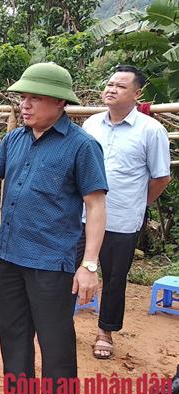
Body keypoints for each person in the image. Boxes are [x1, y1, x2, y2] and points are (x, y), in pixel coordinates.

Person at [0, 62, 108, 394]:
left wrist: (89, 264)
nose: (25, 104)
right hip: (9, 256)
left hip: (52, 262)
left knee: (56, 344)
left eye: (35, 98)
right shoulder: (14, 138)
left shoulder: (82, 146)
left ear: (59, 104)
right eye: (23, 97)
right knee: (13, 335)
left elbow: (96, 206)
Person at [78, 65, 171, 359]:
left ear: (137, 93)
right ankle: (59, 323)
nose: (111, 89)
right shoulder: (90, 124)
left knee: (115, 277)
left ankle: (105, 331)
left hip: (122, 219)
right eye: (109, 83)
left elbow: (161, 177)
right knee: (67, 268)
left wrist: (136, 204)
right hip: (81, 215)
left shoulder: (152, 130)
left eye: (120, 85)